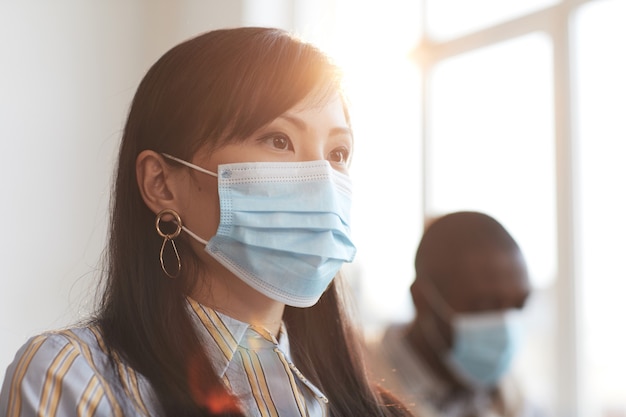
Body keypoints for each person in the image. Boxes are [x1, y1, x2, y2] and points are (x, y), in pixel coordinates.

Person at [0, 27, 411, 417]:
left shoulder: (371, 406)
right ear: (162, 184)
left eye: (338, 153)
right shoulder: (75, 377)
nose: (322, 180)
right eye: (278, 140)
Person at [368, 211, 544, 417]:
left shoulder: (507, 393)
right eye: (485, 305)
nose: (504, 322)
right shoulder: (357, 386)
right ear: (422, 299)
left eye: (518, 305)